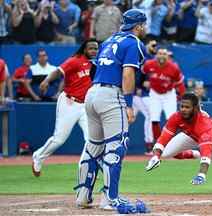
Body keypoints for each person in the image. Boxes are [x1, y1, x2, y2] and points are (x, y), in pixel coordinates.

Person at [75, 9, 147, 213]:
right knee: (116, 147)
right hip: (112, 96)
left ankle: (82, 196)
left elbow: (93, 70)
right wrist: (129, 103)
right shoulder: (133, 42)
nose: (145, 28)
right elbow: (127, 74)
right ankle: (109, 199)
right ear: (139, 25)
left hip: (93, 93)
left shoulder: (108, 40)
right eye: (144, 24)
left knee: (93, 147)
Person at [32, 38, 98, 177]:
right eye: (91, 48)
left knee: (91, 139)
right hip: (69, 102)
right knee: (59, 139)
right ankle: (38, 156)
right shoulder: (75, 60)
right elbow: (58, 71)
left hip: (85, 106)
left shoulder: (95, 64)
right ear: (84, 49)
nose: (93, 51)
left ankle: (86, 169)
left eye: (96, 48)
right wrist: (46, 81)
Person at [146, 92, 212, 191]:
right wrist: (155, 156)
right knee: (165, 153)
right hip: (191, 136)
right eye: (182, 106)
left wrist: (201, 175)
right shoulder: (176, 117)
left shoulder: (204, 124)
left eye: (187, 107)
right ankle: (194, 154)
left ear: (196, 108)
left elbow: (206, 153)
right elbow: (164, 137)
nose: (183, 109)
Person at [142, 48, 186, 144]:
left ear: (168, 56)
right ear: (156, 55)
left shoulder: (174, 67)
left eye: (164, 54)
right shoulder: (149, 64)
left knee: (171, 119)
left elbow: (180, 84)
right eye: (160, 53)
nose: (162, 56)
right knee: (154, 119)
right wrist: (143, 82)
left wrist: (184, 99)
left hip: (169, 94)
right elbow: (141, 73)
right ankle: (159, 143)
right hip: (154, 93)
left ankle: (171, 143)